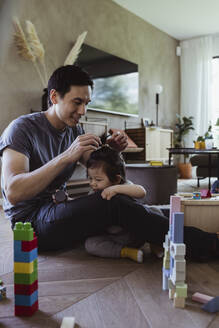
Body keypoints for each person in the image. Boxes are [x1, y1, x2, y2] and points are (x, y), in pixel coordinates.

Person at [0, 64, 219, 261]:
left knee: (120, 196)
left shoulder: (73, 129)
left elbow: (95, 165)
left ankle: (195, 233)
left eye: (86, 103)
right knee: (112, 203)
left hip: (58, 210)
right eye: (77, 102)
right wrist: (67, 155)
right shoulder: (21, 129)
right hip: (31, 226)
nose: (83, 111)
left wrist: (111, 151)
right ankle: (209, 245)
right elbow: (14, 191)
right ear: (55, 97)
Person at [85, 145, 146, 263]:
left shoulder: (124, 186)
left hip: (137, 233)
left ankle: (157, 244)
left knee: (154, 211)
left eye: (98, 180)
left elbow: (142, 191)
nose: (93, 184)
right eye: (90, 179)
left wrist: (116, 189)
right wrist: (70, 201)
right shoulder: (94, 193)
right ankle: (125, 252)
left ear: (116, 179)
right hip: (115, 238)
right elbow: (84, 206)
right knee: (90, 244)